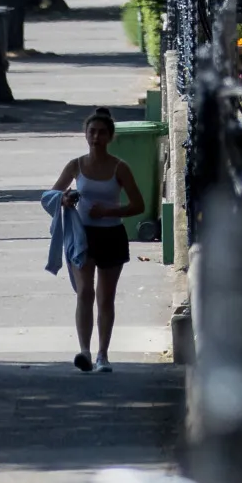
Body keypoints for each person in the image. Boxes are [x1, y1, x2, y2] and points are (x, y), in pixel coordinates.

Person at [51, 108, 144, 371]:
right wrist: (65, 199)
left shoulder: (119, 167)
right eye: (92, 132)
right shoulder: (76, 165)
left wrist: (109, 211)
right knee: (84, 292)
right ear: (85, 134)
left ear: (110, 137)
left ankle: (103, 354)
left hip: (112, 235)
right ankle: (85, 352)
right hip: (82, 236)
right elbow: (51, 195)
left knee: (105, 297)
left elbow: (138, 205)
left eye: (102, 132)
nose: (96, 136)